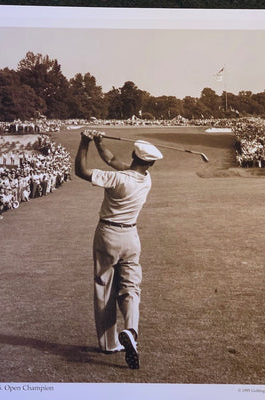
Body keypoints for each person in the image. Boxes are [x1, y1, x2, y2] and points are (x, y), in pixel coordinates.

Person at [75, 130, 163, 370]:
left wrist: (84, 143)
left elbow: (81, 171)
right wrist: (99, 142)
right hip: (131, 237)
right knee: (131, 287)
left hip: (108, 235)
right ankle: (131, 331)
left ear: (134, 155)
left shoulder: (118, 179)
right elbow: (112, 160)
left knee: (104, 287)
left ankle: (109, 343)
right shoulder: (146, 180)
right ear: (151, 163)